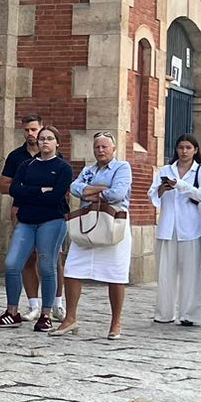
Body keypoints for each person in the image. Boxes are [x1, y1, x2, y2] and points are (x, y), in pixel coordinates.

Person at [0, 126, 72, 329]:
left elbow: (57, 197)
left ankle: (46, 314)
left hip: (52, 221)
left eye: (49, 139)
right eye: (41, 139)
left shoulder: (63, 168)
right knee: (12, 264)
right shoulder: (26, 165)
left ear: (57, 142)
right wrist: (41, 190)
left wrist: (29, 193)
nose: (45, 142)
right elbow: (14, 190)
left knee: (47, 266)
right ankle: (12, 311)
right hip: (26, 221)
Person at [60, 130, 132, 339]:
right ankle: (70, 318)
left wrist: (92, 192)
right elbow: (74, 187)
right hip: (88, 222)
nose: (100, 150)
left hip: (113, 223)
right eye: (97, 147)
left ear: (113, 148)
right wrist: (100, 190)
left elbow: (118, 193)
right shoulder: (88, 169)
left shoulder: (122, 167)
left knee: (115, 274)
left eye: (104, 147)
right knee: (72, 268)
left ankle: (115, 322)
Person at [150, 134, 201, 325]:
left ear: (195, 150)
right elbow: (152, 194)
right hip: (167, 226)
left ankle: (189, 314)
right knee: (165, 271)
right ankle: (164, 313)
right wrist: (162, 190)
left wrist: (180, 185)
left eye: (188, 148)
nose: (184, 151)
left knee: (191, 273)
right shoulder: (167, 169)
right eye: (181, 147)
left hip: (191, 227)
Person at [0, 113, 44, 322]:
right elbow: (3, 186)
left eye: (34, 129)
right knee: (26, 258)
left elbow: (61, 188)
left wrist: (23, 187)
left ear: (42, 128)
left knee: (51, 261)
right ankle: (33, 305)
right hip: (22, 212)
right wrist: (34, 189)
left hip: (50, 214)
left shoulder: (52, 152)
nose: (30, 134)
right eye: (27, 130)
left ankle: (55, 305)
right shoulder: (16, 156)